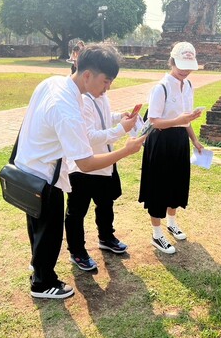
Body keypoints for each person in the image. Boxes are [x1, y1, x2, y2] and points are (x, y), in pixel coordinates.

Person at [14, 44, 146, 299]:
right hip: (45, 175)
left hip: (28, 166)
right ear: (87, 75)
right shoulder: (67, 108)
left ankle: (38, 265)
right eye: (105, 81)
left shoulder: (54, 83)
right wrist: (125, 150)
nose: (108, 87)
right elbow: (85, 163)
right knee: (50, 230)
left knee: (38, 226)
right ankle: (42, 283)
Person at [138, 42, 203, 254]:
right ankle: (156, 234)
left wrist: (194, 140)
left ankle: (172, 222)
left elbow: (186, 119)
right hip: (161, 141)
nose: (185, 70)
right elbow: (154, 121)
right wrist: (178, 120)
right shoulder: (161, 88)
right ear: (172, 62)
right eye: (181, 65)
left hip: (179, 140)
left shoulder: (188, 85)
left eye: (188, 66)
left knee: (177, 182)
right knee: (158, 186)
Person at [64, 88, 138, 271]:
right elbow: (89, 136)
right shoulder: (83, 100)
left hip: (104, 164)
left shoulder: (101, 95)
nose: (108, 87)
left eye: (110, 82)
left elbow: (102, 118)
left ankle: (106, 237)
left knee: (106, 204)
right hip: (82, 168)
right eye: (105, 81)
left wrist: (118, 117)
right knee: (76, 212)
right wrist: (121, 129)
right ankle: (77, 251)